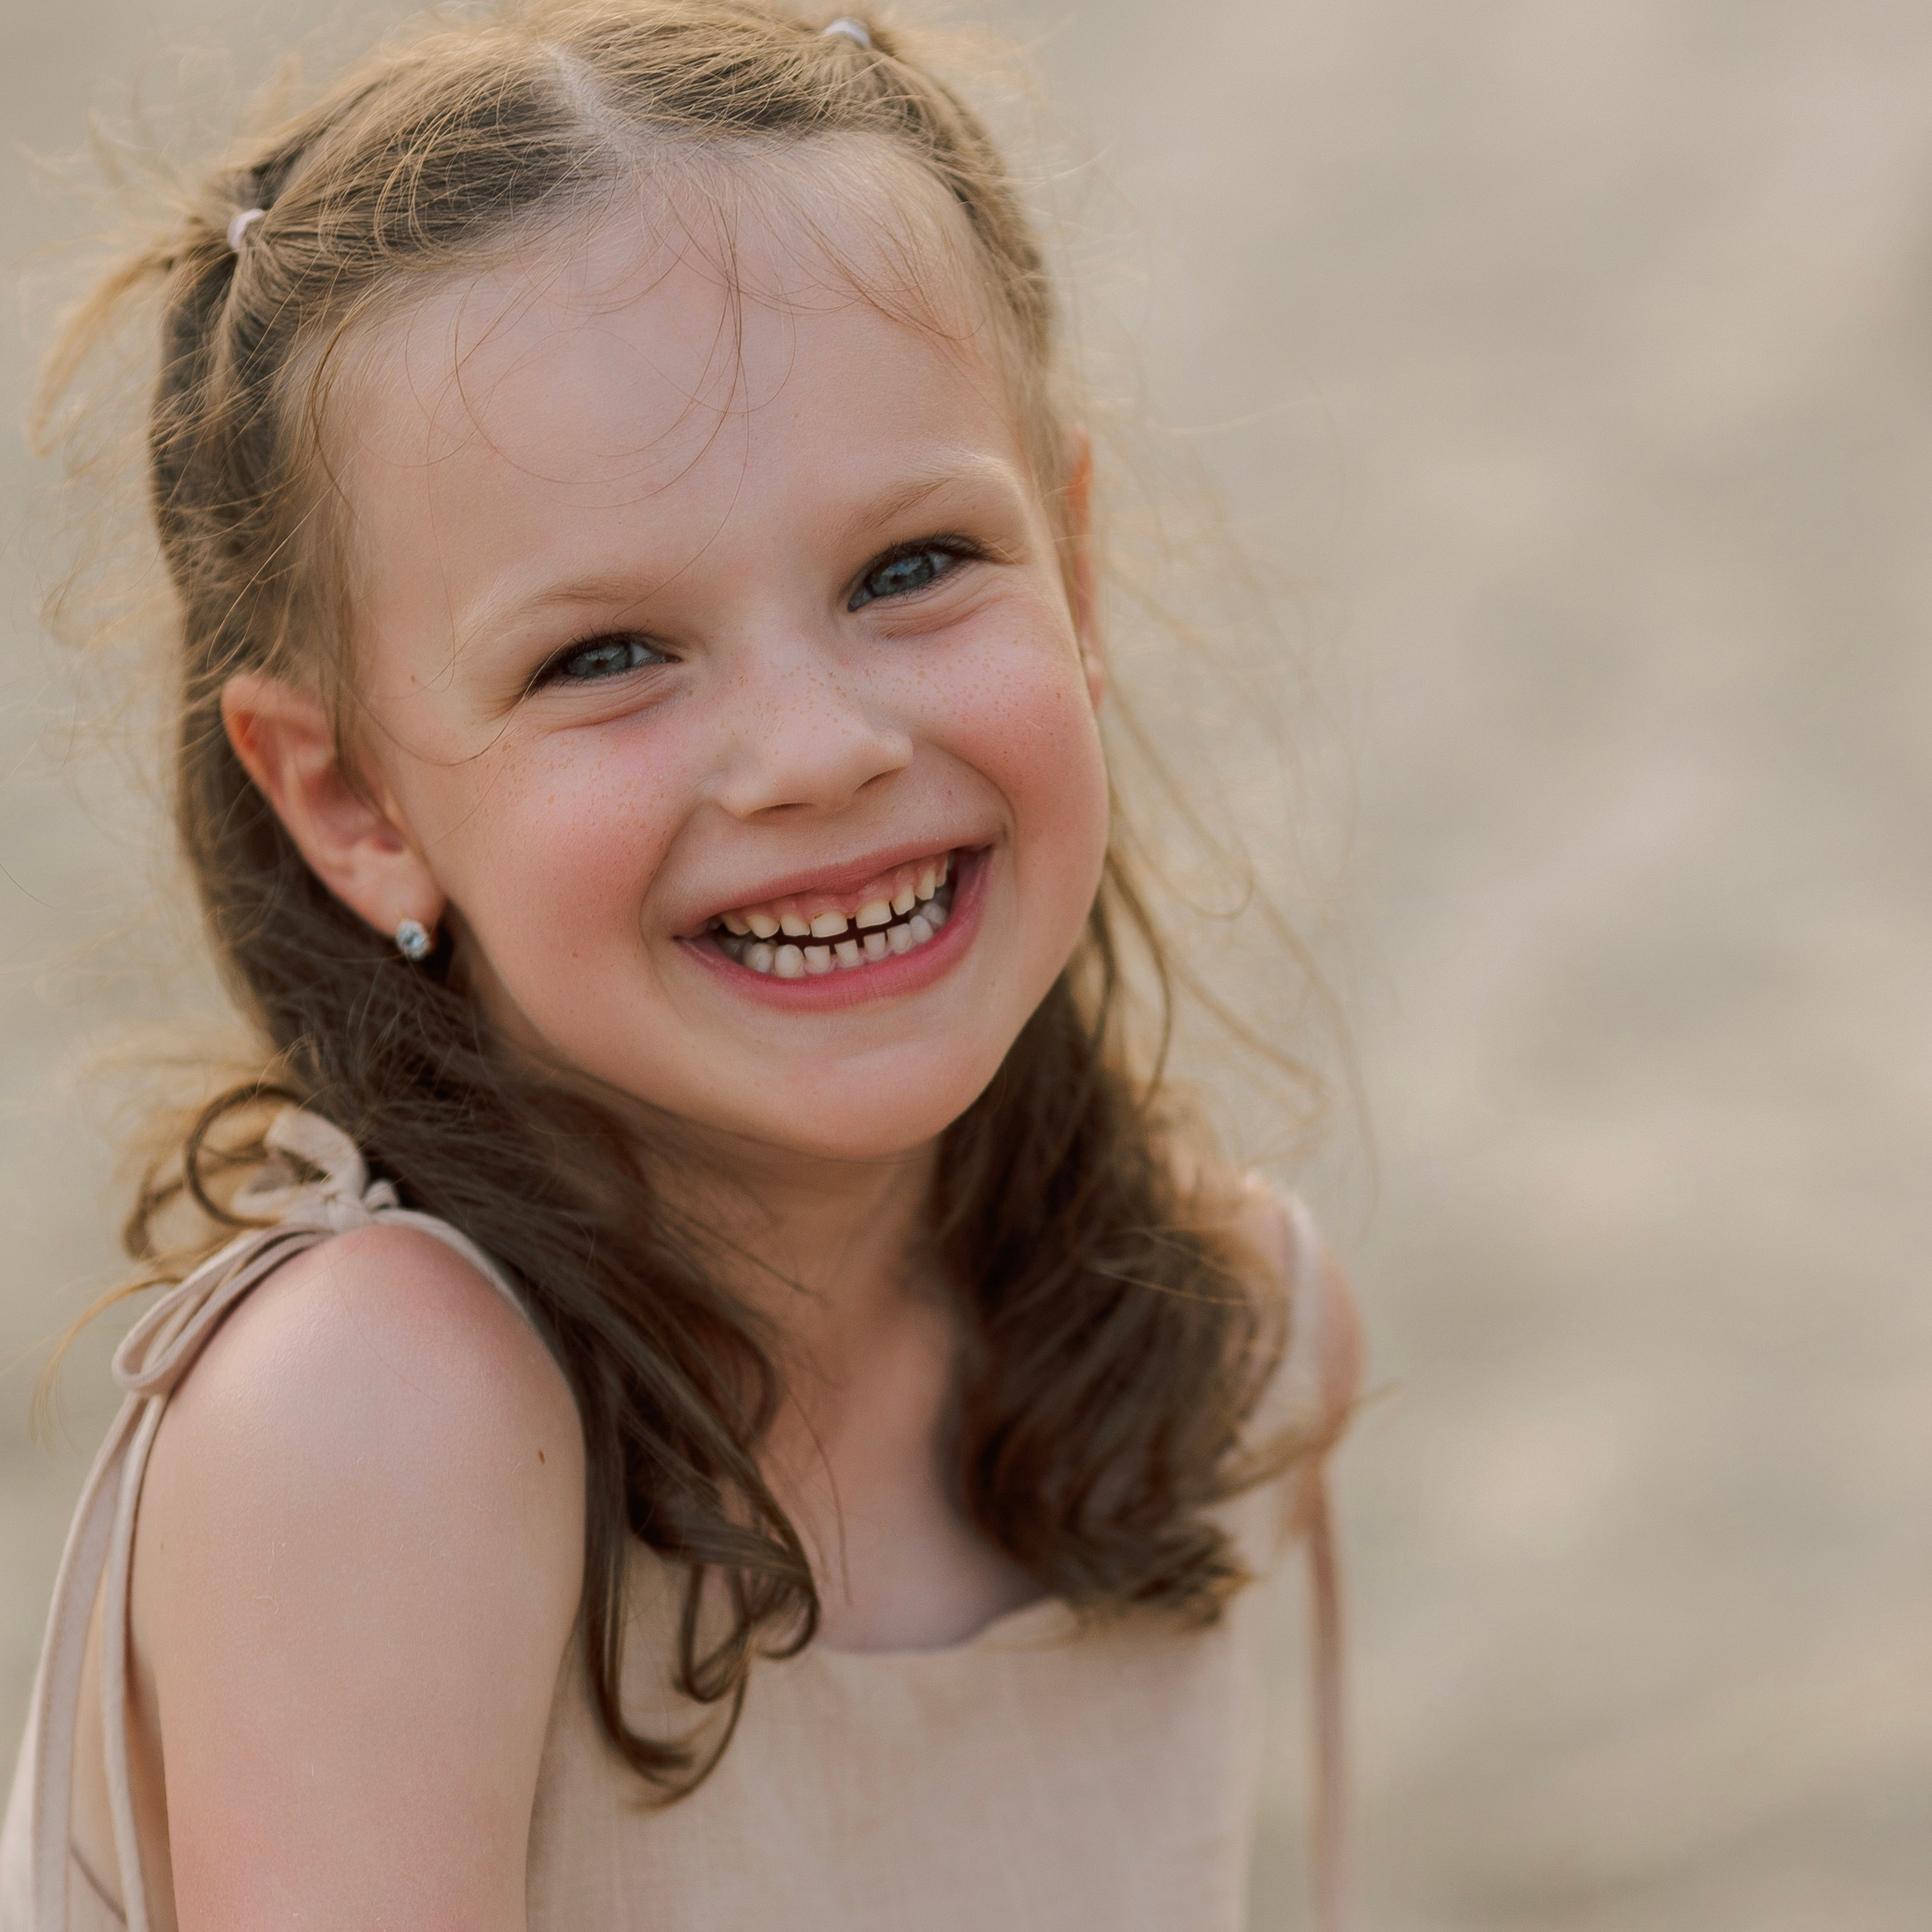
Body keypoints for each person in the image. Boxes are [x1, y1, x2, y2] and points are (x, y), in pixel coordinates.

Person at [2, 4, 1361, 1927]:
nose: (817, 748)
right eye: (605, 654)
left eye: (908, 567)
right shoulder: (378, 1411)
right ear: (351, 796)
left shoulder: (1233, 1329)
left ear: (1076, 570)